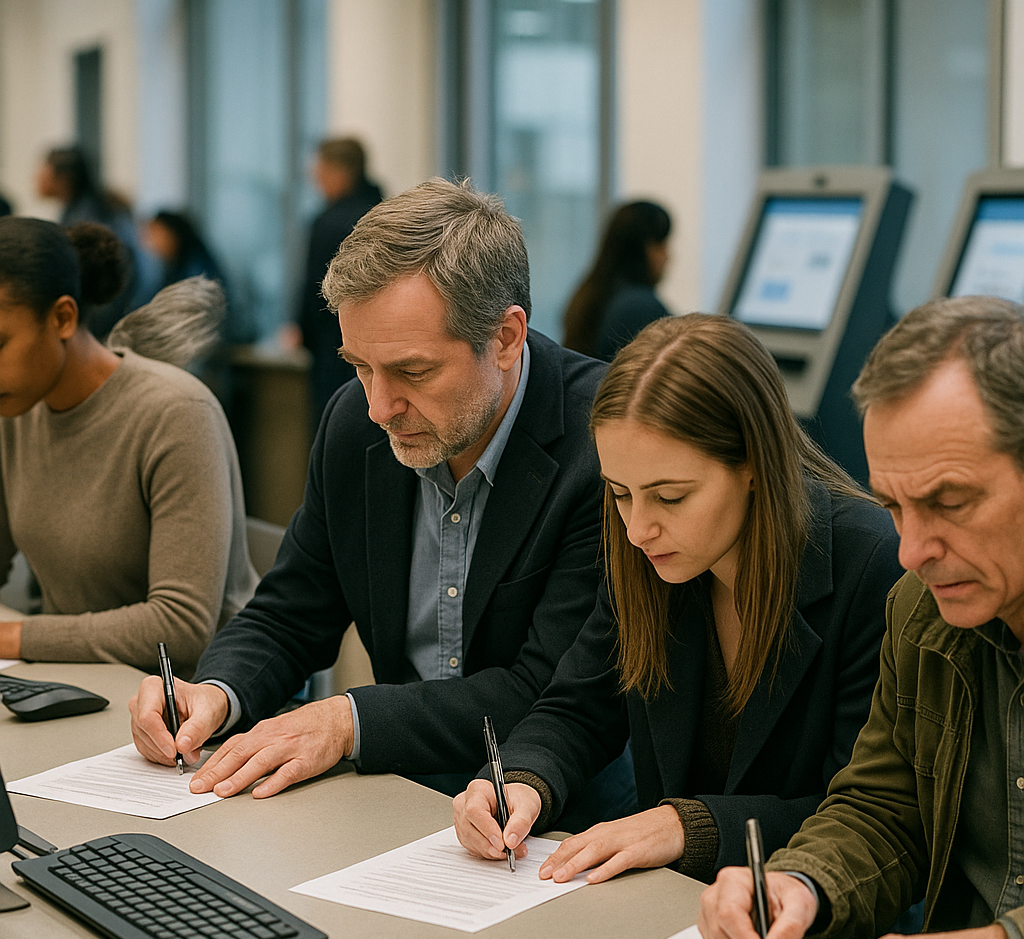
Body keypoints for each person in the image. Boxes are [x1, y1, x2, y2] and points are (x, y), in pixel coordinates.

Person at [129, 177, 631, 817]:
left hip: (564, 818)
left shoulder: (602, 443)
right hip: (400, 798)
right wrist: (214, 693)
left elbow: (547, 689)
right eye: (360, 366)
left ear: (505, 338)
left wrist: (345, 720)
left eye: (412, 372)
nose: (379, 406)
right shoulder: (353, 423)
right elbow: (292, 610)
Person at [453, 313, 901, 886]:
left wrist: (685, 826)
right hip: (676, 912)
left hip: (817, 926)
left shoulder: (873, 566)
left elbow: (866, 817)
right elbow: (578, 707)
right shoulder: (645, 551)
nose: (639, 529)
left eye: (670, 497)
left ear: (754, 467)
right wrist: (520, 779)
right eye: (620, 494)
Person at [697, 295, 1024, 939]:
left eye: (950, 501)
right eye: (896, 508)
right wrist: (798, 885)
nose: (913, 552)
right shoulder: (923, 609)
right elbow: (883, 806)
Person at [0, 217, 258, 678]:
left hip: (201, 701)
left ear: (62, 317)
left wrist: (19, 636)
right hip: (80, 681)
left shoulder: (177, 412)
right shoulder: (16, 411)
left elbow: (180, 628)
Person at [282, 137, 384, 428]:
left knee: (335, 425)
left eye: (321, 174)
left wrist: (302, 331)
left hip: (335, 345)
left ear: (341, 172)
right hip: (381, 344)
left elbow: (317, 287)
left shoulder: (328, 222)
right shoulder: (384, 213)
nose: (317, 182)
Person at [35, 145, 148, 338]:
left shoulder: (87, 219)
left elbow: (112, 283)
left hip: (101, 327)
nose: (36, 178)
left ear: (64, 179)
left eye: (43, 172)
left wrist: (83, 332)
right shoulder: (82, 209)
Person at [563, 200, 671, 361]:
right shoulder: (639, 307)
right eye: (660, 244)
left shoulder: (591, 294)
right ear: (641, 248)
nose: (667, 256)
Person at [142, 210, 225, 292]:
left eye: (157, 236)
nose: (152, 244)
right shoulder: (176, 265)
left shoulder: (196, 270)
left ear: (173, 235)